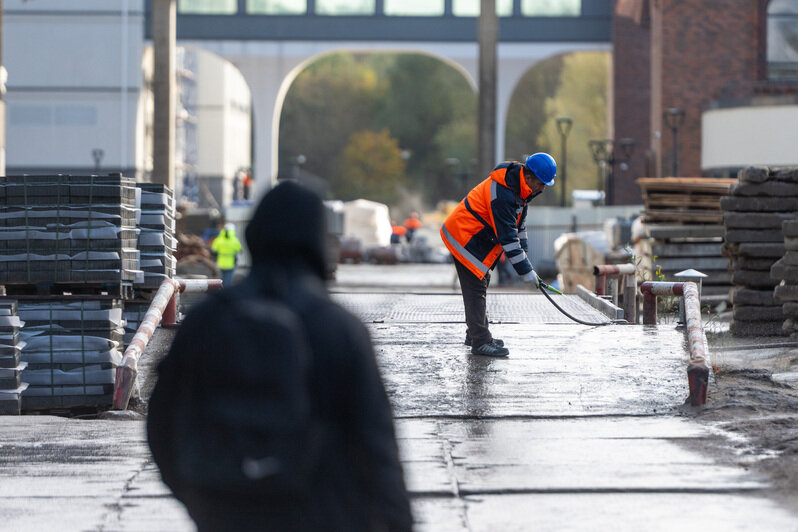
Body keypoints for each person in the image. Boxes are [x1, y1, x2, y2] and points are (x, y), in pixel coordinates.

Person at [147, 181, 412, 532]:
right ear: (320, 242)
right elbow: (376, 449)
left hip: (227, 513)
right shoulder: (340, 329)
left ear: (256, 234)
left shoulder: (207, 321)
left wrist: (201, 500)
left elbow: (162, 424)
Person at [440, 153, 556, 357]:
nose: (543, 188)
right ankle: (480, 341)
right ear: (529, 177)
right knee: (476, 288)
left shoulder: (521, 189)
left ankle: (475, 333)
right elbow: (508, 236)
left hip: (474, 236)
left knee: (481, 282)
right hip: (464, 235)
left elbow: (519, 225)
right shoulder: (503, 194)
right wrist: (525, 271)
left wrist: (525, 258)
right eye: (541, 183)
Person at [211, 222, 242, 287]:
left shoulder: (219, 239)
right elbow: (240, 250)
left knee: (221, 282)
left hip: (221, 264)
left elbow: (213, 250)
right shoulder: (234, 240)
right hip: (230, 264)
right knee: (228, 282)